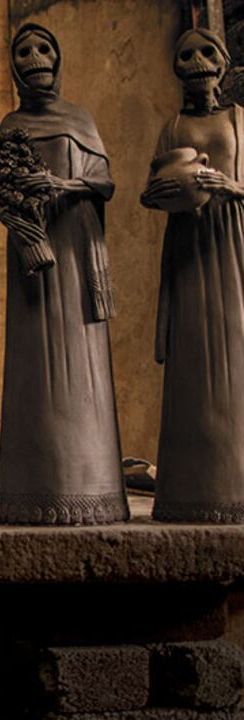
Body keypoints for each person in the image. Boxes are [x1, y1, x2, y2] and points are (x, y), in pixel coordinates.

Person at [0, 24, 128, 525]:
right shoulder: (10, 124)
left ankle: (92, 489)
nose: (34, 57)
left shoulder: (80, 120)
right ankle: (33, 491)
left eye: (43, 48)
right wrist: (21, 209)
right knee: (33, 367)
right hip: (33, 256)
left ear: (58, 58)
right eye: (23, 50)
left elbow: (104, 184)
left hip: (74, 251)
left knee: (82, 361)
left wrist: (59, 184)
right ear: (14, 66)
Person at [141, 29, 244, 523]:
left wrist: (230, 185)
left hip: (232, 242)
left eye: (206, 53)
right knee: (191, 362)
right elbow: (150, 188)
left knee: (235, 357)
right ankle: (189, 489)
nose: (197, 63)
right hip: (188, 247)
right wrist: (166, 192)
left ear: (222, 64)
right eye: (186, 55)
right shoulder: (174, 124)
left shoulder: (240, 121)